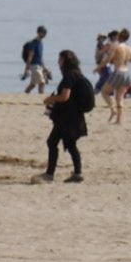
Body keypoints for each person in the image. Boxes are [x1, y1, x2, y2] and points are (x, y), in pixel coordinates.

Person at [38, 49, 94, 184]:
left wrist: (50, 100)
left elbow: (65, 96)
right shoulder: (76, 74)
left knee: (53, 142)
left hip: (68, 118)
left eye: (60, 60)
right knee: (69, 143)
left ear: (64, 61)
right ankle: (77, 173)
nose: (58, 62)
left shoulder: (69, 76)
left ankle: (50, 174)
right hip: (72, 116)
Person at [102, 28, 131, 124]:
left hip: (118, 71)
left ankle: (113, 109)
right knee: (119, 97)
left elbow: (108, 59)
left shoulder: (116, 46)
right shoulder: (129, 48)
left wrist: (98, 67)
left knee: (105, 92)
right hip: (127, 73)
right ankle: (119, 120)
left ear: (119, 36)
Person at [21, 25, 49, 93]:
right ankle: (41, 98)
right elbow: (29, 57)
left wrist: (45, 68)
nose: (45, 34)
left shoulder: (40, 43)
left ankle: (25, 95)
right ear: (38, 33)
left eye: (45, 33)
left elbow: (40, 57)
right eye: (43, 32)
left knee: (33, 85)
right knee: (42, 83)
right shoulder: (33, 43)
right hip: (34, 67)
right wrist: (26, 70)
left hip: (39, 66)